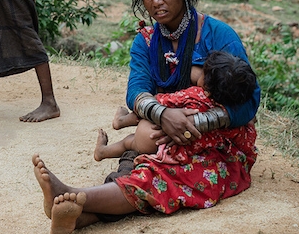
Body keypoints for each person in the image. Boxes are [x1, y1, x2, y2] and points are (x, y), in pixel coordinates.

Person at [33, 0, 261, 234]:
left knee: (161, 174)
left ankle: (75, 197)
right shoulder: (146, 42)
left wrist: (195, 123)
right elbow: (136, 91)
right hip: (162, 134)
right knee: (139, 156)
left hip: (219, 144)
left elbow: (249, 101)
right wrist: (165, 116)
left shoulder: (218, 34)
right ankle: (79, 219)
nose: (156, 2)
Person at [94, 50, 258, 162]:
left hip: (153, 137)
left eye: (203, 72)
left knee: (131, 139)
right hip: (177, 150)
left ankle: (118, 127)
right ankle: (105, 149)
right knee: (131, 142)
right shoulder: (228, 116)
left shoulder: (196, 95)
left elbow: (160, 101)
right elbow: (246, 142)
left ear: (207, 86)